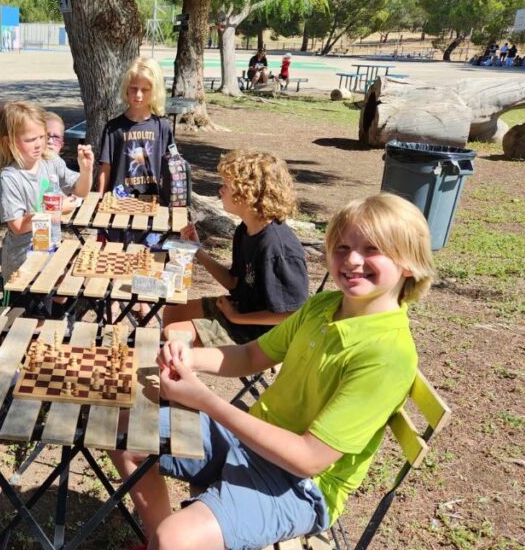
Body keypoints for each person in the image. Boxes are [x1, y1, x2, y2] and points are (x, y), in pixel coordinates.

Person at [109, 193, 435, 550]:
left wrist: (204, 400)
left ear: (409, 263)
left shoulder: (387, 355)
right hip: (251, 442)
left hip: (301, 487)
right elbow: (251, 356)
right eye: (342, 248)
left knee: (176, 539)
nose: (352, 260)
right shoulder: (325, 306)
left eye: (373, 249)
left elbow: (308, 459)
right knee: (124, 429)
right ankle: (159, 540)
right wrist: (189, 357)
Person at [163, 149, 308, 347]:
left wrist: (236, 318)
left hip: (262, 334)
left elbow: (291, 314)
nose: (220, 190)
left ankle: (188, 363)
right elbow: (233, 281)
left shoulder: (277, 248)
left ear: (248, 193)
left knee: (174, 335)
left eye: (226, 185)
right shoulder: (245, 230)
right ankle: (188, 361)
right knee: (173, 311)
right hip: (240, 311)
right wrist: (196, 249)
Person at [0, 101, 93, 282]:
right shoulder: (10, 178)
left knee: (69, 289)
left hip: (48, 252)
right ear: (9, 142)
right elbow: (17, 227)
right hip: (22, 265)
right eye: (30, 140)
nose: (39, 144)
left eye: (42, 136)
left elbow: (80, 191)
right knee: (36, 308)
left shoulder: (50, 160)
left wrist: (86, 170)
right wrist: (51, 209)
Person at [95, 57, 174, 202]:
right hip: (119, 200)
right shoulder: (113, 128)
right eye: (134, 88)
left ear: (155, 91)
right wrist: (99, 199)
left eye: (145, 90)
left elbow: (173, 166)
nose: (138, 95)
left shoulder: (163, 126)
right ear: (126, 89)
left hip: (153, 201)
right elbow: (106, 167)